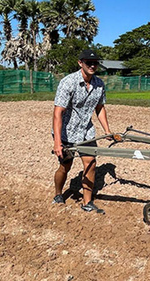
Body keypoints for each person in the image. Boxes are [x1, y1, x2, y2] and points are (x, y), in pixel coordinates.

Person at [52, 49, 110, 214]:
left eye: (95, 63)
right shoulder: (68, 82)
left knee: (91, 163)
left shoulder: (99, 84)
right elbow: (58, 113)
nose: (92, 65)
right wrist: (57, 142)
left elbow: (100, 108)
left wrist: (107, 130)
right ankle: (58, 193)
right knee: (65, 166)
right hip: (66, 133)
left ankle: (87, 202)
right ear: (80, 63)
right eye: (88, 62)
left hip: (86, 132)